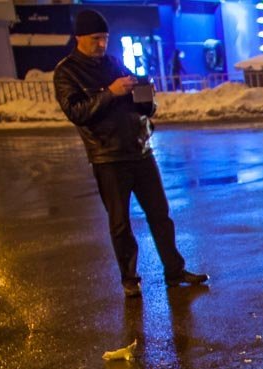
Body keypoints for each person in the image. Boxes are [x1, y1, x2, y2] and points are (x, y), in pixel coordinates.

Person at [54, 9, 207, 299]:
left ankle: (175, 271)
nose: (101, 44)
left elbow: (139, 103)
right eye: (95, 39)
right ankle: (130, 279)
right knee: (120, 222)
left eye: (105, 38)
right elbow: (77, 112)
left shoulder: (113, 62)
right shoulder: (67, 72)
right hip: (107, 157)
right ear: (79, 38)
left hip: (140, 150)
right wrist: (110, 92)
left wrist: (145, 99)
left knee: (161, 215)